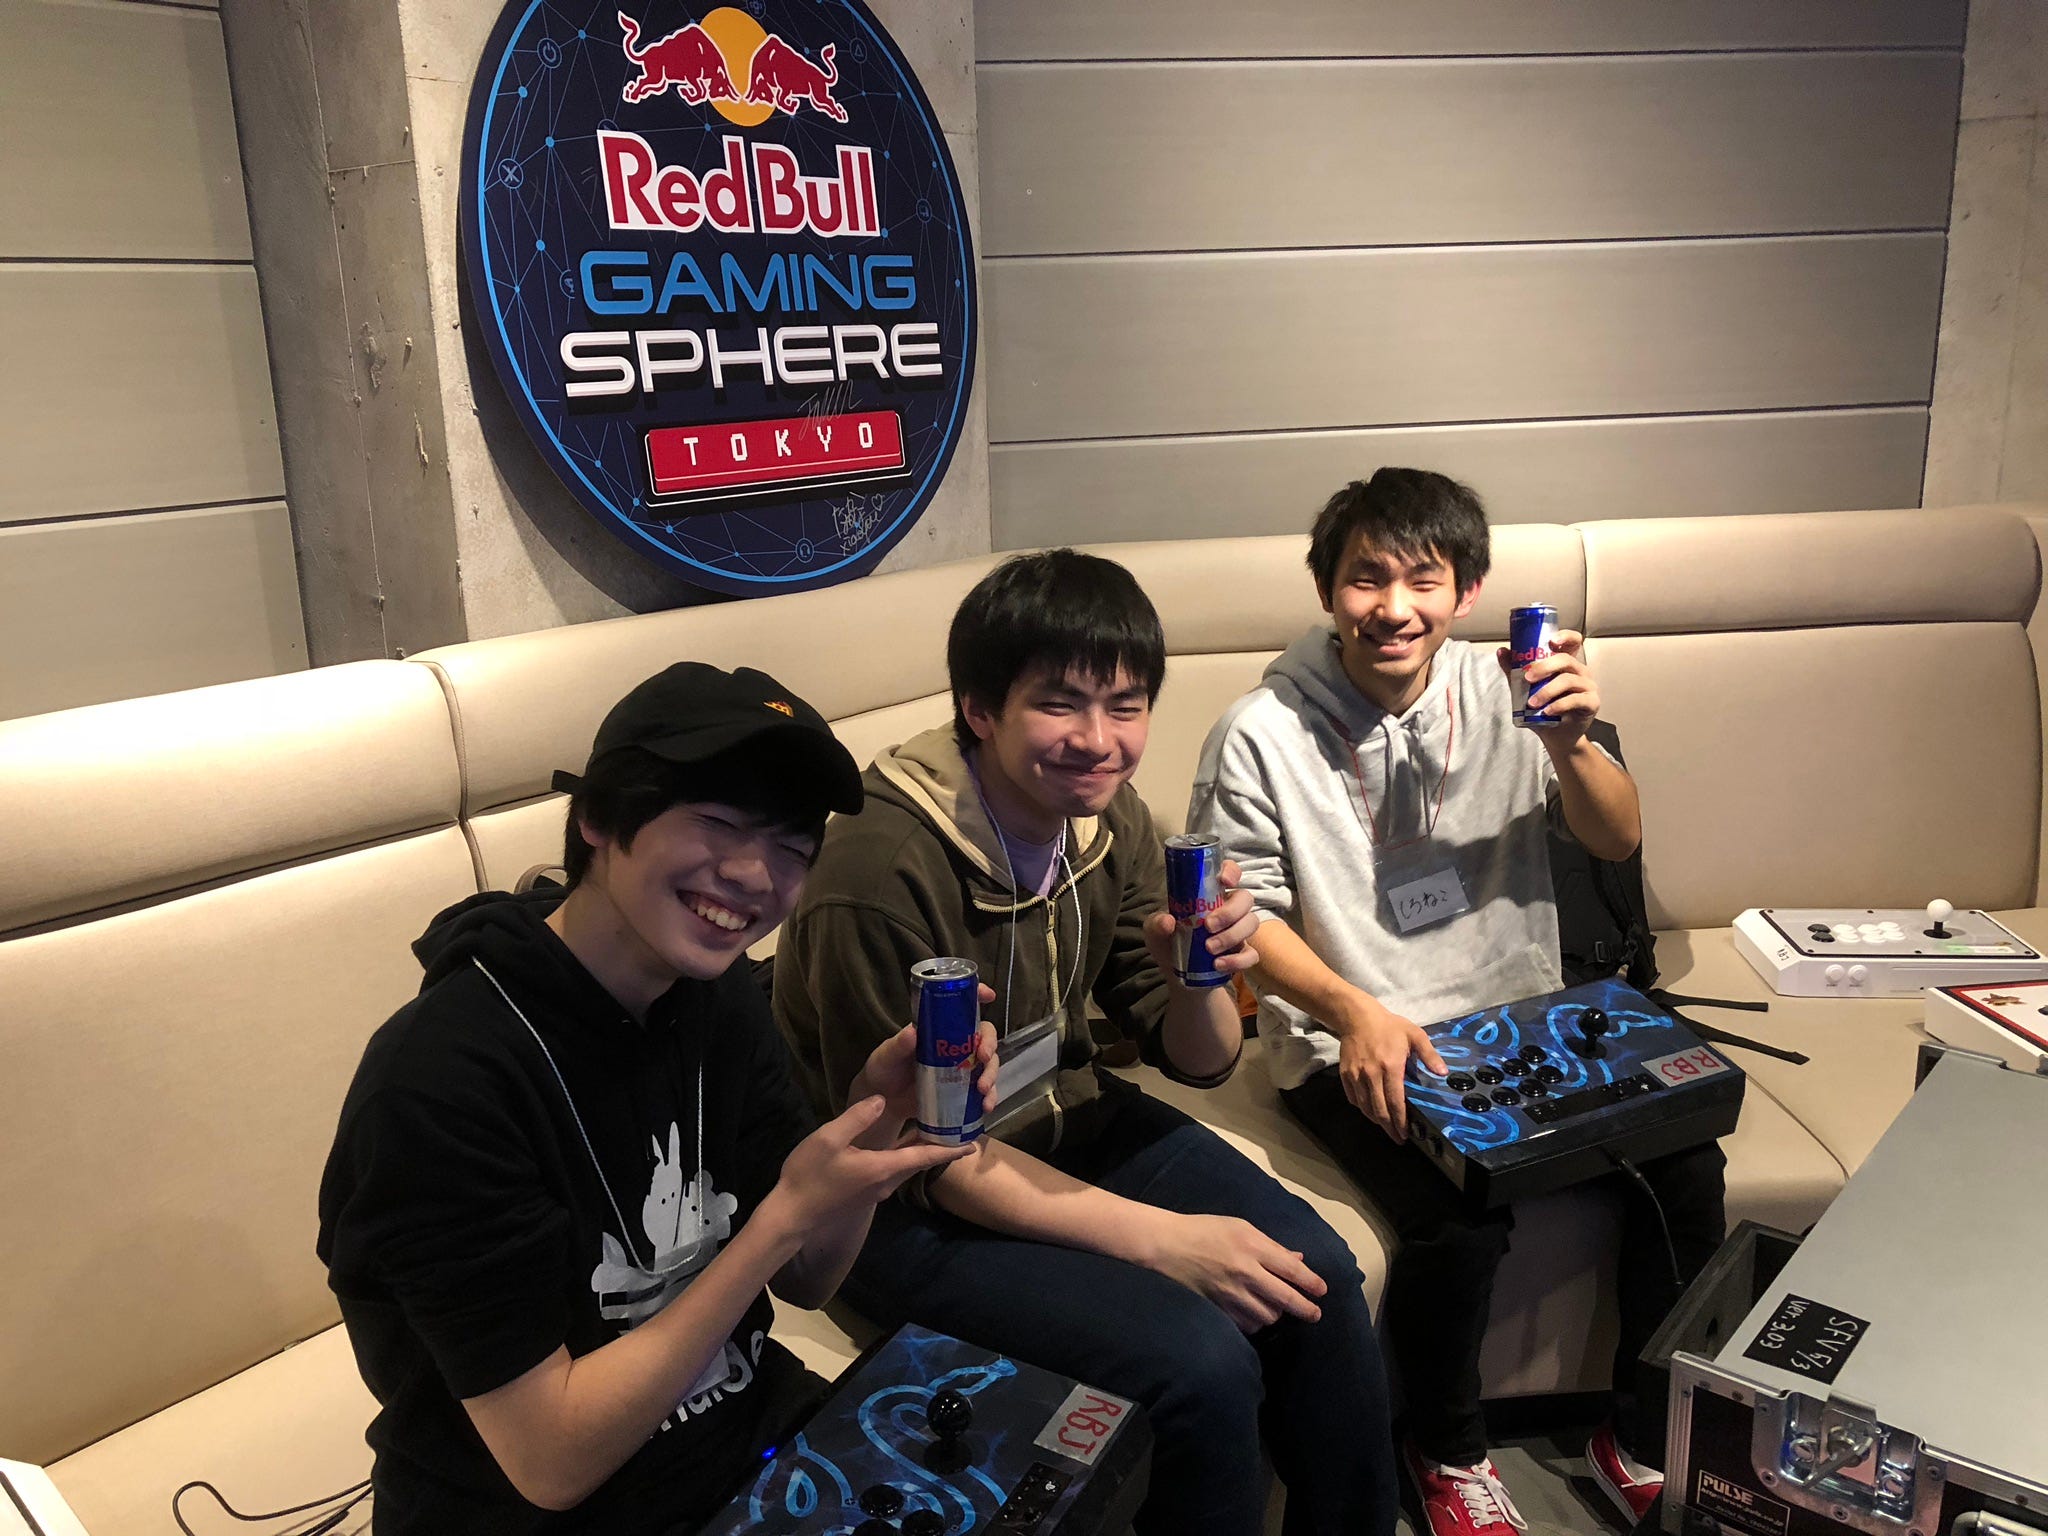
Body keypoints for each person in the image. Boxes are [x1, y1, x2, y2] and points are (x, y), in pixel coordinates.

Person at [773, 550, 1399, 1536]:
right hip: (897, 1201)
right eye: (1060, 704)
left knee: (1314, 1275)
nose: (1099, 742)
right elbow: (925, 1155)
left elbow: (1198, 1060)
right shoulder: (880, 869)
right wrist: (1165, 1240)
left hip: (1068, 1118)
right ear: (980, 710)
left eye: (1125, 706)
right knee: (1200, 1362)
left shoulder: (1107, 821)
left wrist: (1198, 978)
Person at [318, 663, 992, 1534]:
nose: (754, 875)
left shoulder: (718, 998)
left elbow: (808, 1280)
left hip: (746, 1444)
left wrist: (878, 1116)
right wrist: (783, 1216)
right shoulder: (439, 1083)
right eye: (719, 823)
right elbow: (551, 1463)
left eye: (792, 849)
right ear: (598, 818)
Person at [1189, 468, 1728, 1535]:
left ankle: (1635, 1430)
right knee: (1455, 1217)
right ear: (1327, 589)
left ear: (1465, 591)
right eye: (1366, 578)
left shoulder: (1509, 692)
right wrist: (1354, 1012)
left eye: (1422, 580)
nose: (1393, 607)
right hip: (1350, 1033)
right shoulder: (1258, 731)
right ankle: (1445, 1449)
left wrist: (1571, 741)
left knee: (1684, 1162)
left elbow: (1615, 837)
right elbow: (1245, 917)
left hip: (1516, 1016)